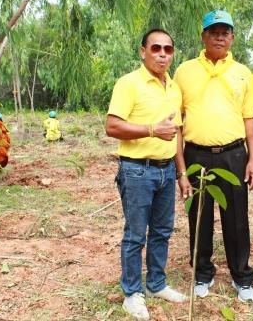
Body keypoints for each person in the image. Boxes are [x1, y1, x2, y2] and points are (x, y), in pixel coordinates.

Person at [174, 10, 253, 302]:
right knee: (199, 217)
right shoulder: (184, 71)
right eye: (214, 32)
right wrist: (181, 170)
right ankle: (202, 273)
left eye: (225, 32)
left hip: (234, 155)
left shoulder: (243, 73)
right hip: (195, 153)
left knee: (236, 217)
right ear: (203, 36)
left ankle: (242, 277)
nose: (219, 37)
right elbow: (176, 122)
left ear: (232, 37)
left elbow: (249, 119)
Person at [105, 28, 187, 320]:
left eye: (167, 49)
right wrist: (151, 130)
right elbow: (112, 126)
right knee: (136, 234)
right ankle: (132, 293)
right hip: (137, 170)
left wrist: (181, 173)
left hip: (166, 172)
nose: (162, 54)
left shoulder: (174, 87)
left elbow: (176, 132)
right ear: (143, 51)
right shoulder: (129, 84)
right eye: (156, 48)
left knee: (163, 231)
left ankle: (155, 284)